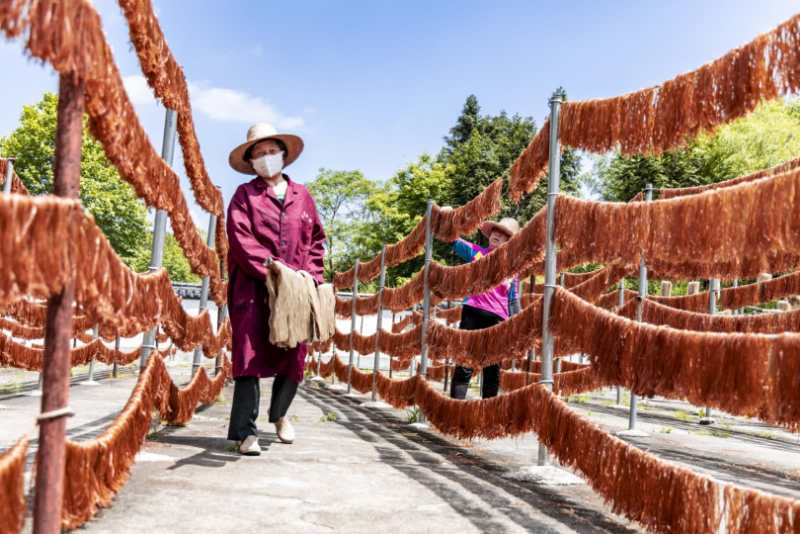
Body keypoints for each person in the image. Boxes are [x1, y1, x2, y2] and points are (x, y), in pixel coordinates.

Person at [226, 123, 326, 455]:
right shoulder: (244, 196)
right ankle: (245, 432)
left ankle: (280, 415)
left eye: (272, 152)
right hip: (253, 288)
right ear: (251, 161)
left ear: (283, 155)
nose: (267, 158)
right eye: (259, 154)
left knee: (294, 355)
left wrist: (311, 276)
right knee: (249, 356)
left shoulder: (302, 196)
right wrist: (273, 270)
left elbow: (316, 242)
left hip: (295, 290)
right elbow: (240, 239)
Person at [447, 216, 519, 399]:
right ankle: (455, 411)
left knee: (492, 369)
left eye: (504, 234)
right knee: (464, 364)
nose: (497, 234)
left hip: (498, 320)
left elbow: (513, 300)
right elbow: (452, 239)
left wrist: (517, 329)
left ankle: (487, 414)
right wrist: (446, 216)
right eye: (496, 230)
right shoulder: (476, 253)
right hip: (472, 313)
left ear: (509, 242)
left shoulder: (513, 269)